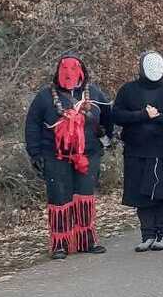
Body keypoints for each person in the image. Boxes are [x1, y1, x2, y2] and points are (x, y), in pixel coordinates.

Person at [24, 54, 113, 259]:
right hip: (54, 156)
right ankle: (60, 244)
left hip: (88, 154)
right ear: (58, 72)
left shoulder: (94, 93)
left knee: (84, 195)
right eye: (64, 69)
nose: (69, 73)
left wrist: (106, 139)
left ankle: (86, 240)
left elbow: (108, 116)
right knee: (59, 197)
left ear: (81, 71)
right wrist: (35, 153)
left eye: (74, 69)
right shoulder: (45, 97)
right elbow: (32, 125)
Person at [111, 51, 163, 252]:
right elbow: (117, 115)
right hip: (137, 151)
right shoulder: (128, 90)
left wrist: (160, 117)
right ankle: (147, 234)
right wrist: (142, 115)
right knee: (142, 195)